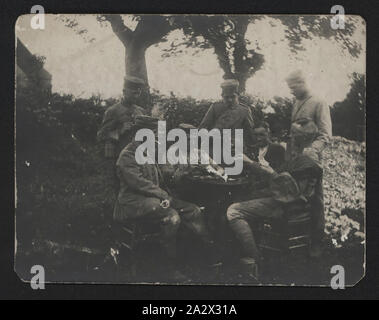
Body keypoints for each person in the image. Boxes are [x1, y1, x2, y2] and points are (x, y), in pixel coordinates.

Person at [114, 116, 220, 281]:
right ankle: (168, 267)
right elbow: (139, 184)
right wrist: (164, 195)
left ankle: (208, 256)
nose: (158, 137)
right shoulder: (127, 155)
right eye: (155, 133)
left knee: (194, 211)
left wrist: (182, 171)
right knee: (172, 217)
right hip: (133, 201)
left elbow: (166, 173)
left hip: (157, 199)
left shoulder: (152, 151)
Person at [226, 155, 323, 283]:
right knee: (246, 198)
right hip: (296, 206)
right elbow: (318, 203)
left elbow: (285, 186)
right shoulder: (312, 164)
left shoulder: (301, 166)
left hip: (284, 206)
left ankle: (256, 260)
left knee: (233, 211)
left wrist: (250, 162)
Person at [285, 70, 332, 257]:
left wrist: (312, 150)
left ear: (302, 82)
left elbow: (325, 135)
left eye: (293, 87)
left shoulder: (319, 102)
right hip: (295, 158)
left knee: (315, 199)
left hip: (311, 159)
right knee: (296, 195)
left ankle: (317, 242)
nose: (291, 92)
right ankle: (299, 237)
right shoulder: (295, 102)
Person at [199, 79, 255, 155]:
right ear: (222, 96)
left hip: (235, 149)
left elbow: (249, 133)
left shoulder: (244, 110)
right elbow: (203, 127)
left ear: (238, 95)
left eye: (233, 96)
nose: (229, 99)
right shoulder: (215, 107)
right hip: (215, 147)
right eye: (226, 97)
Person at [97, 75, 146, 159]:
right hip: (118, 156)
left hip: (138, 157)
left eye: (138, 93)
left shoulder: (141, 111)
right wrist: (119, 131)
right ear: (124, 91)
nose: (136, 96)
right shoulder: (113, 111)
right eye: (133, 93)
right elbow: (101, 135)